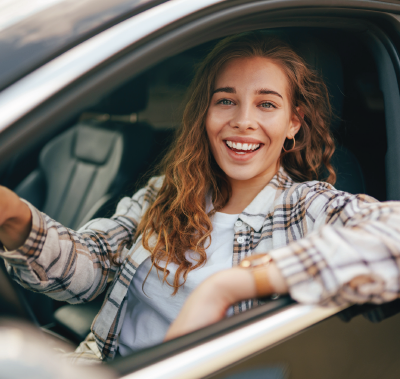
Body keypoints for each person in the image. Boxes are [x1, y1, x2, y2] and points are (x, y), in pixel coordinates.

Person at [1, 32, 400, 363]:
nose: (243, 120)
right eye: (226, 100)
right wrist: (14, 218)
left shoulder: (306, 207)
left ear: (293, 123)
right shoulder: (165, 193)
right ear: (205, 114)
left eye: (266, 104)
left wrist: (230, 285)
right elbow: (89, 271)